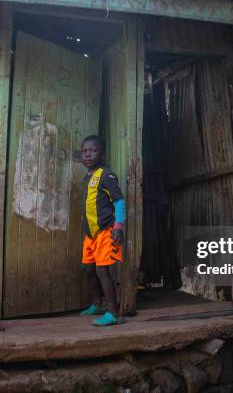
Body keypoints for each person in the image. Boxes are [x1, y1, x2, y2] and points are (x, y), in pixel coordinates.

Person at [79, 135, 126, 326]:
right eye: (84, 151)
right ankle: (97, 304)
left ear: (102, 154)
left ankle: (113, 314)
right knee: (88, 269)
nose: (88, 154)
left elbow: (119, 201)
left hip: (106, 232)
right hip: (91, 235)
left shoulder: (106, 175)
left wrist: (118, 227)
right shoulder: (88, 176)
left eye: (93, 151)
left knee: (102, 271)